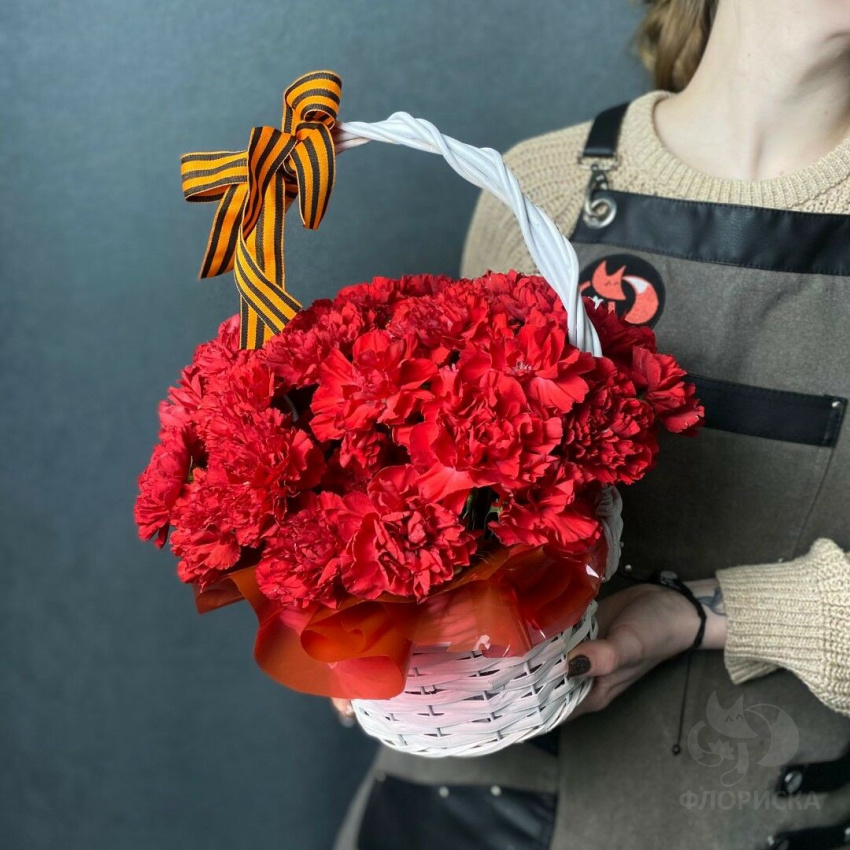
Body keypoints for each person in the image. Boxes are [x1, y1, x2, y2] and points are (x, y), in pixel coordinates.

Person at [333, 1, 850, 847]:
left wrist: (698, 613)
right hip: (455, 812)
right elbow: (440, 497)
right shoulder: (541, 183)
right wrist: (367, 621)